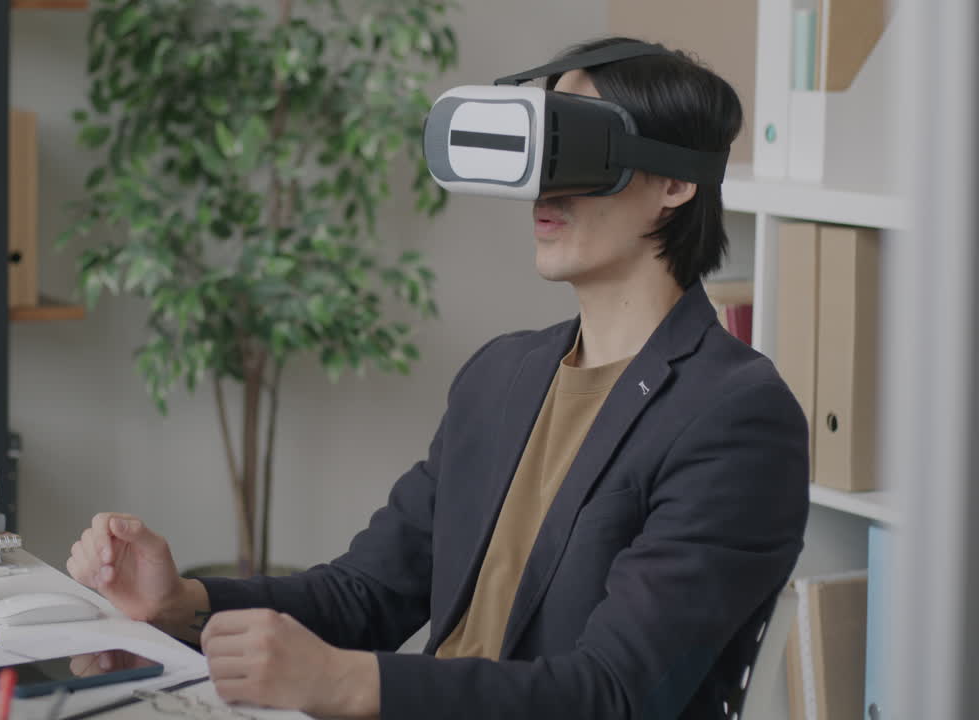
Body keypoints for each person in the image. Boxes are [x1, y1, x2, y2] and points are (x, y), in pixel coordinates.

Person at [66, 36, 809, 720]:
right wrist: (180, 603)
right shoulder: (503, 376)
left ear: (676, 183)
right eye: (537, 146)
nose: (544, 187)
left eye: (575, 147)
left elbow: (611, 694)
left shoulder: (734, 416)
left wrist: (347, 682)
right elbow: (364, 595)